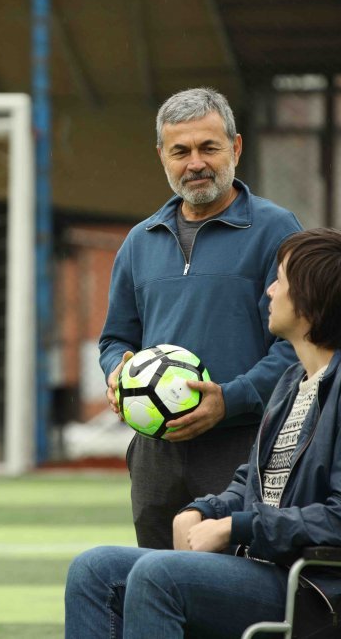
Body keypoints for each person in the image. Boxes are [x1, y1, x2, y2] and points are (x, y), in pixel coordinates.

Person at [66, 227, 341, 638]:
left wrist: (237, 527)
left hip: (326, 584)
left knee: (158, 574)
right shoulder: (293, 381)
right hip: (274, 567)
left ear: (313, 298)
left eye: (280, 280)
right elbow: (252, 483)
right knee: (93, 569)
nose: (269, 291)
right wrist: (204, 510)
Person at [99, 87, 302, 548]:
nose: (195, 163)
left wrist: (229, 400)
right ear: (162, 156)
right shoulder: (140, 241)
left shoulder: (276, 230)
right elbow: (115, 339)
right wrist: (116, 373)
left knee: (234, 574)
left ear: (236, 147)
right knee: (154, 575)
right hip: (156, 451)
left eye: (208, 147)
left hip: (242, 444)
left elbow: (297, 345)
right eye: (181, 151)